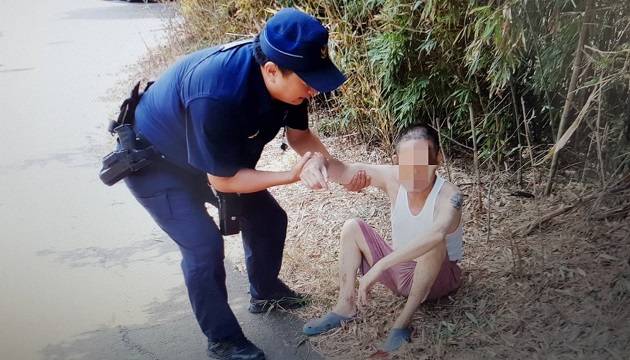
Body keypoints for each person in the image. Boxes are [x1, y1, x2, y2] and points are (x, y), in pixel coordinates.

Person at [122, 8, 367, 360]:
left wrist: (342, 174)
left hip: (209, 155)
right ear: (271, 70)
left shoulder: (290, 83)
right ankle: (223, 341)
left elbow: (300, 137)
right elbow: (222, 179)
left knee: (268, 218)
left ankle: (264, 292)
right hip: (156, 162)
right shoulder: (217, 93)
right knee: (203, 248)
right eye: (308, 80)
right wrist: (293, 174)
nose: (314, 89)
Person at [302, 124, 464, 355]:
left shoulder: (450, 195)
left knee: (433, 241)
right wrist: (318, 161)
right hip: (401, 270)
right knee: (352, 227)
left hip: (437, 279)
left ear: (438, 159)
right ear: (396, 160)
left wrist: (381, 265)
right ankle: (345, 306)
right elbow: (344, 170)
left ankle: (402, 324)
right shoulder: (392, 177)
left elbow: (437, 234)